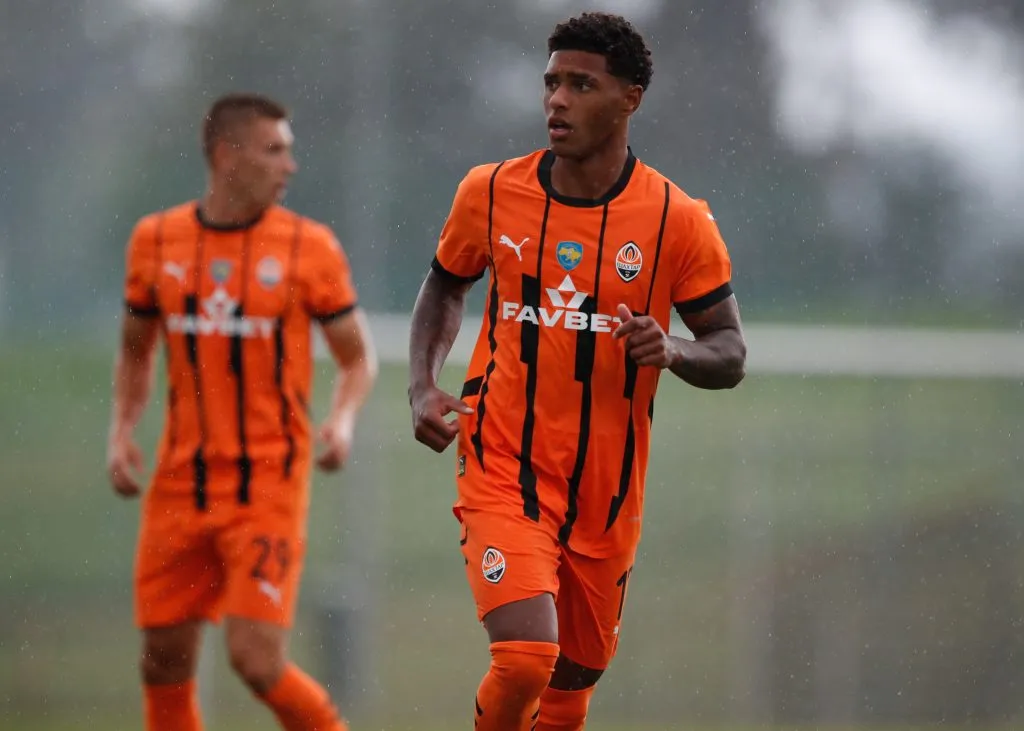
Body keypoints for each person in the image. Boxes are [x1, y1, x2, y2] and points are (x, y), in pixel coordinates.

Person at [408, 12, 747, 731]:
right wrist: (421, 384)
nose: (557, 100)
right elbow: (445, 284)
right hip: (503, 463)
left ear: (630, 98)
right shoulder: (490, 191)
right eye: (552, 82)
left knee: (568, 695)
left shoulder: (676, 220)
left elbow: (729, 351)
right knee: (525, 657)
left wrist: (673, 349)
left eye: (581, 85)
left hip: (606, 491)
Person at [106, 92, 378, 731]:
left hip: (267, 487)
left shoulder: (309, 247)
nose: (290, 166)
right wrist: (120, 432)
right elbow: (136, 349)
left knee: (256, 660)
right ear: (227, 156)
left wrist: (341, 420)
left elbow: (356, 358)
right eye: (274, 151)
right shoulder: (156, 240)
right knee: (163, 661)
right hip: (179, 483)